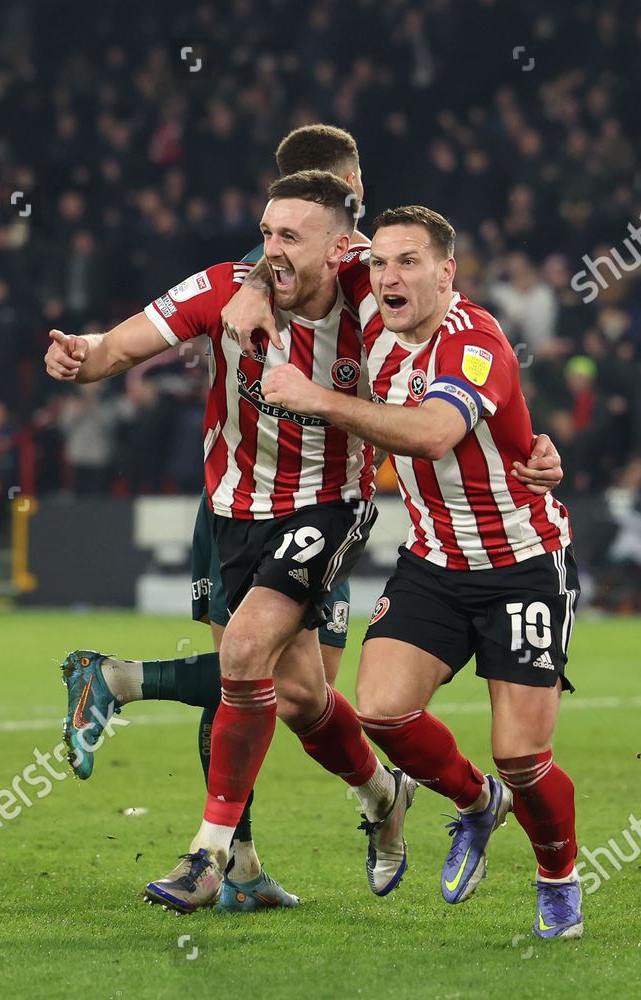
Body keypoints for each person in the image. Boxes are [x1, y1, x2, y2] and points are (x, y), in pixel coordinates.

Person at [47, 171, 416, 914]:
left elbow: (450, 345)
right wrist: (81, 356)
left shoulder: (375, 300)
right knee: (303, 694)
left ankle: (208, 855)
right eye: (266, 233)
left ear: (344, 245)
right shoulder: (226, 286)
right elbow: (118, 347)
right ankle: (384, 793)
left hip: (327, 508)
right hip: (231, 511)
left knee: (244, 656)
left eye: (289, 237)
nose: (270, 250)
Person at [243, 205, 583, 941]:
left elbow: (434, 434)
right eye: (382, 263)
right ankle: (474, 805)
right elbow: (288, 250)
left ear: (446, 272)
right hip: (433, 560)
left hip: (523, 564)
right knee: (383, 710)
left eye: (408, 263)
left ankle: (558, 877)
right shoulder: (375, 307)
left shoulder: (477, 341)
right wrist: (247, 286)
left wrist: (315, 398)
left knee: (522, 755)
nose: (388, 276)